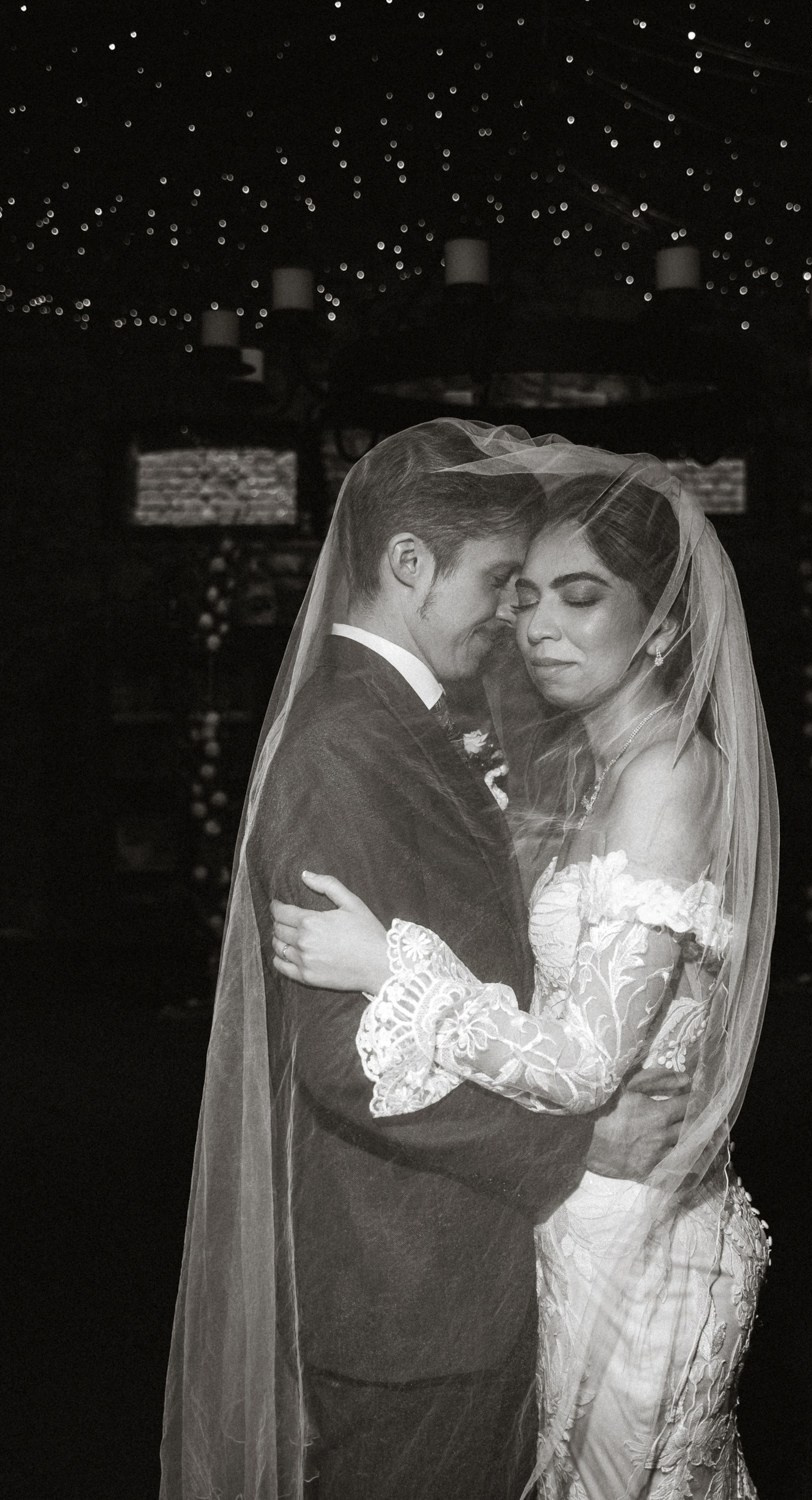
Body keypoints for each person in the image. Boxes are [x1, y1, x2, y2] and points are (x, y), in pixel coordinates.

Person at [159, 419, 690, 1500]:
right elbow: (343, 1057)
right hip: (407, 1280)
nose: (512, 615)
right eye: (501, 581)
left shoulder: (415, 718)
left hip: (460, 1264)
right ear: (410, 565)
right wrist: (565, 1158)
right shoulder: (342, 747)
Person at [271, 437, 779, 1499]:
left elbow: (590, 1064)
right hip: (568, 1223)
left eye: (578, 596)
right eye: (524, 592)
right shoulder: (597, 775)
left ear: (665, 624)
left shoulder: (668, 781)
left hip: (637, 1233)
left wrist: (388, 963)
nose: (535, 624)